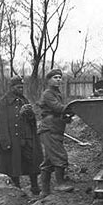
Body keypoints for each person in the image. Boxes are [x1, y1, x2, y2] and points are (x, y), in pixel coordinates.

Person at [0, 76, 43, 195]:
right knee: (13, 164)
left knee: (32, 162)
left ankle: (35, 187)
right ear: (11, 88)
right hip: (13, 139)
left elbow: (32, 120)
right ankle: (17, 189)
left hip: (27, 138)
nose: (21, 89)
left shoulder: (24, 100)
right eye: (18, 87)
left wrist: (30, 114)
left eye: (22, 87)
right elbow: (1, 123)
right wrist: (5, 142)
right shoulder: (4, 102)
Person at [37, 68, 74, 196]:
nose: (58, 79)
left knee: (48, 161)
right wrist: (73, 108)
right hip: (50, 129)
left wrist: (67, 116)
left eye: (60, 77)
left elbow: (60, 111)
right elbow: (57, 108)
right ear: (48, 80)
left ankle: (45, 191)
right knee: (60, 156)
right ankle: (60, 184)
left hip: (55, 128)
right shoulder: (48, 94)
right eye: (55, 77)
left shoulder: (57, 93)